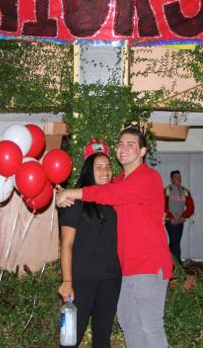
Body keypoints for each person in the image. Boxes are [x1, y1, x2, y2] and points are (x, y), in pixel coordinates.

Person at [56, 126, 173, 348]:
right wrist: (63, 195)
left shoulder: (148, 177)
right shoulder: (118, 181)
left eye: (131, 144)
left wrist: (70, 192)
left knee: (150, 326)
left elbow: (109, 194)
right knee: (129, 324)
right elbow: (101, 191)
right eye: (120, 143)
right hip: (125, 271)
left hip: (148, 266)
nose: (124, 148)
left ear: (142, 152)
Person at [58, 141, 121, 348]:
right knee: (70, 339)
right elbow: (66, 244)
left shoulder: (115, 202)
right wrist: (67, 281)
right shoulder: (74, 202)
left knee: (102, 338)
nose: (106, 171)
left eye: (108, 166)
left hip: (110, 279)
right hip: (81, 279)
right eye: (99, 167)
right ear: (89, 170)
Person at [164, 170, 195, 263]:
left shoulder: (185, 191)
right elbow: (162, 205)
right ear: (172, 179)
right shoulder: (167, 190)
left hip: (180, 220)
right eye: (176, 177)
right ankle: (178, 264)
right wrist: (171, 218)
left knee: (174, 242)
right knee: (175, 242)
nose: (179, 178)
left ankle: (169, 262)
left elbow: (191, 206)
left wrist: (183, 217)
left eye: (180, 177)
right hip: (170, 221)